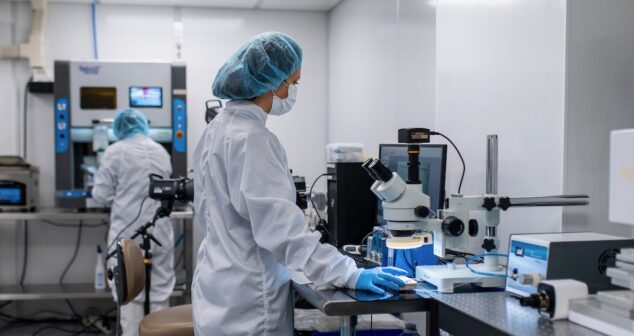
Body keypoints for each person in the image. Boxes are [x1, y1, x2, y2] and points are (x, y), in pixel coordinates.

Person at [192, 31, 406, 336]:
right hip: (249, 300)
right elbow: (284, 233)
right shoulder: (254, 140)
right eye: (293, 83)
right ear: (272, 83)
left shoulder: (215, 130)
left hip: (216, 287)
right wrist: (348, 273)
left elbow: (206, 211)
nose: (292, 91)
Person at [92, 108, 175, 336]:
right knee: (159, 293)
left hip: (128, 235)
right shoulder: (160, 150)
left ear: (119, 128)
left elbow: (100, 195)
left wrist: (121, 197)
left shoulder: (115, 152)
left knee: (129, 296)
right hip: (160, 234)